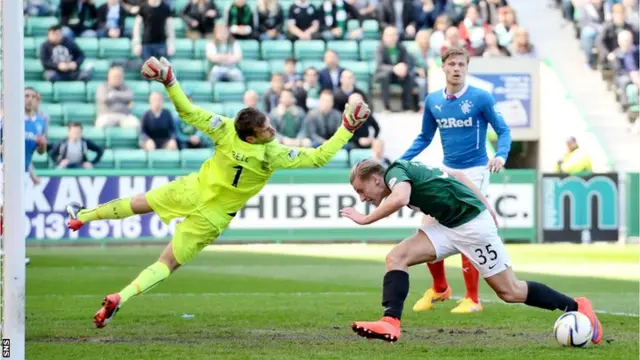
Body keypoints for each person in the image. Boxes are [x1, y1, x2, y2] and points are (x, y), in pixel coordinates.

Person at [64, 56, 371, 329]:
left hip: (190, 191)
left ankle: (82, 219)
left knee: (140, 202)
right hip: (212, 217)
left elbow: (186, 111)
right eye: (265, 130)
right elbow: (318, 157)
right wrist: (346, 128)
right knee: (167, 263)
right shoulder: (271, 154)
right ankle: (122, 295)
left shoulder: (224, 129)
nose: (272, 131)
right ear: (251, 138)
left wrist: (169, 81)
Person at [342, 159, 603, 344]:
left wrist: (364, 219)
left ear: (376, 178)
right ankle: (390, 322)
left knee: (510, 292)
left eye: (360, 190)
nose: (362, 198)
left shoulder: (395, 173)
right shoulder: (405, 170)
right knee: (396, 257)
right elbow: (457, 175)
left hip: (473, 228)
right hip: (448, 226)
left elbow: (400, 198)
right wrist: (485, 203)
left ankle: (577, 305)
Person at [400, 46, 511, 314]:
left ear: (467, 67)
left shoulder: (481, 98)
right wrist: (400, 162)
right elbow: (425, 138)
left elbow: (503, 130)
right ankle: (440, 288)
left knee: (466, 230)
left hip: (475, 172)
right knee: (426, 228)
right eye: (452, 64)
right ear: (444, 67)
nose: (457, 68)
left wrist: (501, 156)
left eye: (461, 64)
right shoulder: (433, 101)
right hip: (447, 170)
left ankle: (473, 299)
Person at [0, 87, 48, 266]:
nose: (29, 100)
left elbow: (38, 152)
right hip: (3, 167)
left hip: (23, 172)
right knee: (4, 206)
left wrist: (42, 145)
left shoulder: (40, 123)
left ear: (37, 100)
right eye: (26, 96)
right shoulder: (9, 120)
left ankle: (12, 251)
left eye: (32, 97)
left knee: (15, 211)